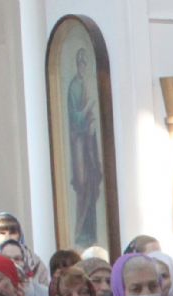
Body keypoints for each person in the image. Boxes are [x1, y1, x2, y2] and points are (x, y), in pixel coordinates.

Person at [66, 47, 105, 247]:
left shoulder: (87, 84)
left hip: (89, 143)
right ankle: (81, 231)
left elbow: (91, 117)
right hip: (79, 143)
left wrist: (92, 122)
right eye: (80, 63)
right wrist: (87, 109)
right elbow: (75, 116)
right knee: (82, 184)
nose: (83, 67)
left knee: (92, 182)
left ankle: (90, 231)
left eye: (85, 63)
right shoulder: (74, 86)